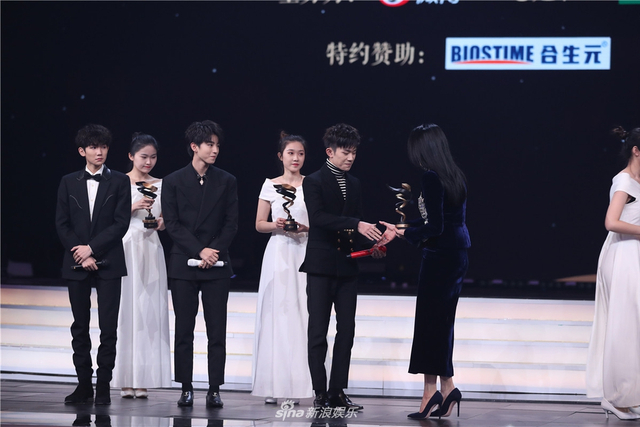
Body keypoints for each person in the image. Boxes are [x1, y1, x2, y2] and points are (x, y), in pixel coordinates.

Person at [381, 123, 470, 419]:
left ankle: (433, 391)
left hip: (440, 258)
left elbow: (435, 226)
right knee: (439, 325)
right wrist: (404, 229)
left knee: (431, 325)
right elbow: (442, 220)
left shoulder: (431, 177)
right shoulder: (455, 174)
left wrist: (405, 233)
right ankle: (444, 388)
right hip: (456, 254)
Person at [300, 123, 389, 411]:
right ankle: (320, 391)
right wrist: (356, 224)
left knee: (347, 331)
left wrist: (372, 245)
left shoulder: (355, 183)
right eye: (345, 152)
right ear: (330, 152)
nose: (350, 157)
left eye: (354, 152)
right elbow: (318, 218)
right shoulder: (313, 181)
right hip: (320, 265)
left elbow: (356, 224)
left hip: (347, 266)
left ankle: (337, 391)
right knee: (318, 332)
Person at [161, 120, 238, 408]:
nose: (215, 150)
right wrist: (199, 250)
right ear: (194, 146)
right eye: (209, 144)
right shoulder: (173, 180)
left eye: (217, 145)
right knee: (184, 329)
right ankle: (186, 387)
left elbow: (231, 224)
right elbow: (172, 224)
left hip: (217, 263)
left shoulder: (227, 180)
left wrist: (213, 251)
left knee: (216, 330)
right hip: (185, 262)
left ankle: (214, 388)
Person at [55, 124, 131, 405]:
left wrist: (92, 249)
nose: (99, 152)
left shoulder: (120, 181)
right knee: (80, 326)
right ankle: (84, 385)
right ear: (82, 151)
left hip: (109, 261)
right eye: (93, 147)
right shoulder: (68, 181)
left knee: (108, 328)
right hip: (76, 262)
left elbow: (121, 223)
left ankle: (103, 387)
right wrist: (82, 253)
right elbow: (62, 224)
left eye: (104, 147)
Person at [252, 133, 313, 404]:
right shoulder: (270, 185)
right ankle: (272, 385)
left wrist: (305, 227)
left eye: (300, 153)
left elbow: (319, 221)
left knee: (301, 314)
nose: (296, 158)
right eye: (290, 153)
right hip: (278, 253)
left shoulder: (312, 184)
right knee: (276, 315)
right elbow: (259, 224)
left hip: (304, 251)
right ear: (281, 156)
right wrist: (275, 225)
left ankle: (296, 387)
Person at [586, 126, 640, 421]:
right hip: (621, 255)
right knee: (622, 326)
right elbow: (611, 221)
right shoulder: (624, 181)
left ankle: (628, 395)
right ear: (636, 150)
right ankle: (614, 397)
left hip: (632, 254)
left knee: (632, 327)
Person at [113, 133, 172, 398]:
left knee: (149, 310)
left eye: (153, 157)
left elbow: (168, 217)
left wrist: (162, 222)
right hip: (126, 245)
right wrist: (133, 206)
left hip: (151, 246)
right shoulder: (118, 181)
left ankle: (144, 378)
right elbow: (109, 218)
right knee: (127, 309)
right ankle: (125, 378)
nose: (148, 162)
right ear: (131, 156)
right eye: (143, 157)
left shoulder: (162, 184)